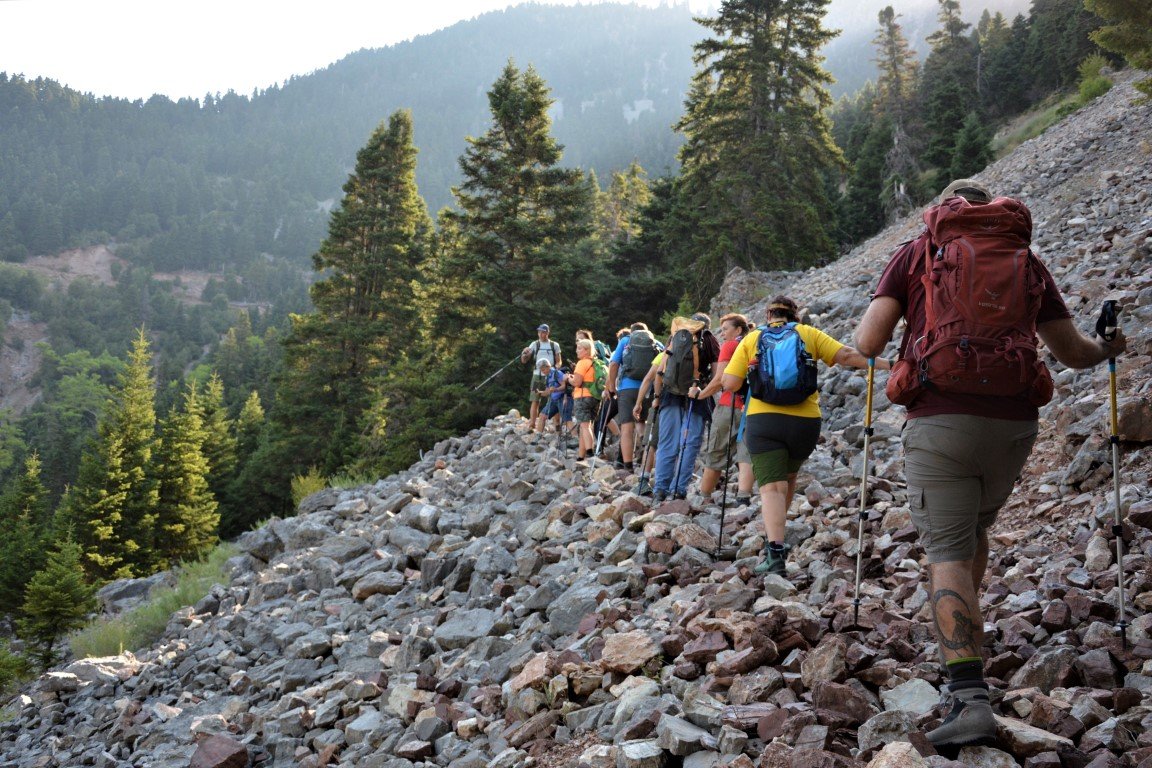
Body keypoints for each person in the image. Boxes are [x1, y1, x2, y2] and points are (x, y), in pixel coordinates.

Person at [853, 179, 1127, 750]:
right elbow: (1073, 354)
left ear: (946, 210)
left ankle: (969, 696)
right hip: (1014, 425)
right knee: (974, 529)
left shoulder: (918, 251)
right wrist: (1109, 350)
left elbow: (870, 340)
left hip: (941, 420)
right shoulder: (1025, 261)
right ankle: (966, 648)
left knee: (946, 551)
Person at [721, 296, 885, 575]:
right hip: (805, 423)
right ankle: (778, 534)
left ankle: (775, 552)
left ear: (768, 314)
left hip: (764, 420)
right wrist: (887, 364)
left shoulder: (753, 337)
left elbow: (730, 382)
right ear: (795, 315)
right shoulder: (807, 333)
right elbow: (845, 355)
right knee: (788, 477)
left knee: (771, 487)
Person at [652, 315, 719, 502]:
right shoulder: (710, 340)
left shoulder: (677, 337)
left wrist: (657, 398)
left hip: (669, 395)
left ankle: (660, 489)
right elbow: (716, 375)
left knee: (667, 443)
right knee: (689, 444)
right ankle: (679, 489)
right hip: (697, 397)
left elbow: (661, 371)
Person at [693, 313, 754, 504]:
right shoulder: (754, 344)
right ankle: (744, 496)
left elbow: (720, 380)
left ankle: (704, 495)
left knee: (717, 450)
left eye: (726, 328)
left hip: (730, 405)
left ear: (738, 329)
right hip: (753, 406)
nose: (723, 333)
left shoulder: (730, 346)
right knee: (746, 451)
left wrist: (700, 394)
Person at [609, 322, 660, 473]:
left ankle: (628, 466)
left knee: (627, 427)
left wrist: (612, 387)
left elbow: (613, 364)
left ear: (631, 332)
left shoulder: (625, 341)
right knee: (644, 423)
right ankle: (646, 459)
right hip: (649, 390)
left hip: (627, 388)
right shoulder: (656, 343)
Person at [521, 324, 562, 433]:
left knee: (555, 399)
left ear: (547, 333)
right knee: (535, 400)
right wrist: (525, 354)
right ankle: (532, 424)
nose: (541, 334)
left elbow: (559, 361)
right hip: (537, 376)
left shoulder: (554, 345)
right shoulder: (534, 344)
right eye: (539, 332)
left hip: (551, 376)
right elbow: (524, 360)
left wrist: (555, 369)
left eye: (543, 332)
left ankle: (557, 424)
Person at [567, 339, 598, 461]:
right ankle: (581, 456)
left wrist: (568, 378)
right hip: (594, 397)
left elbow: (576, 382)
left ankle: (590, 452)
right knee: (587, 425)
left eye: (579, 348)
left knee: (585, 426)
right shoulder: (596, 363)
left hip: (582, 397)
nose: (577, 351)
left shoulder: (582, 363)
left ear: (586, 350)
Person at [534, 359, 566, 435]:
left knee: (566, 419)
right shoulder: (547, 377)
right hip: (553, 400)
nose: (543, 372)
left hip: (562, 398)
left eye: (544, 369)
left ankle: (573, 436)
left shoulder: (557, 373)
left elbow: (565, 386)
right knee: (542, 416)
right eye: (541, 370)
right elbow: (548, 391)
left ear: (548, 366)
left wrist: (556, 389)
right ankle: (538, 436)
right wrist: (539, 393)